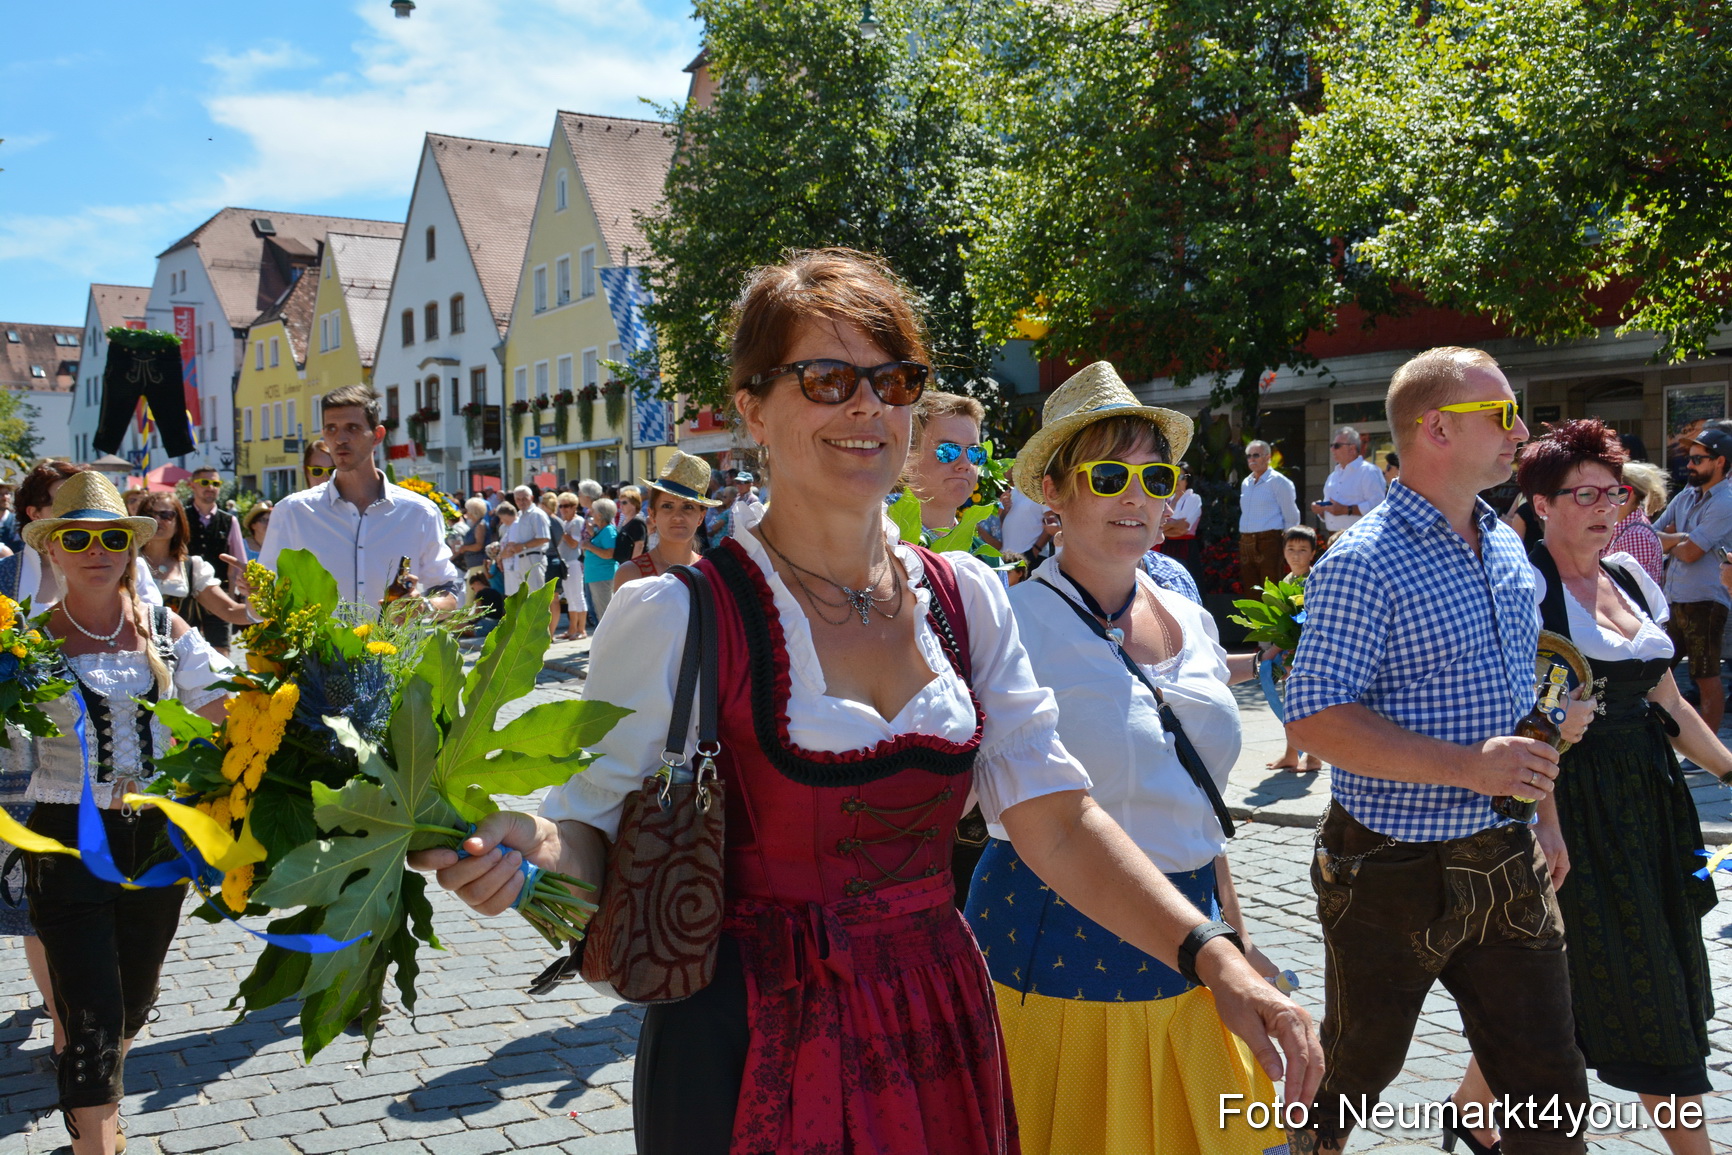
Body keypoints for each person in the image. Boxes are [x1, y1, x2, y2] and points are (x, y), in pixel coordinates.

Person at [412, 248, 1318, 1155]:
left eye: (894, 381)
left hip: (937, 1022)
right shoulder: (680, 614)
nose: (867, 406)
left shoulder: (966, 598)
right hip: (743, 1042)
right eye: (827, 377)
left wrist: (1213, 956)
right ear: (753, 408)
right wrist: (532, 847)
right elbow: (592, 830)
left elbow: (1057, 818)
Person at [968, 362, 1288, 1154]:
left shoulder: (1188, 614)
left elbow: (1201, 813)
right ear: (1054, 489)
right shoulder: (1008, 625)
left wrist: (1237, 943)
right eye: (1108, 475)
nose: (1135, 495)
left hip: (1194, 950)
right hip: (1058, 952)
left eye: (1156, 475)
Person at [1283, 346, 1596, 1155]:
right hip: (1387, 867)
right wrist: (1469, 766)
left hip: (1505, 852)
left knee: (1551, 1080)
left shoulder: (1502, 545)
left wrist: (1546, 811)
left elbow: (1523, 708)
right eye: (1501, 415)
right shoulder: (1363, 560)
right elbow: (1313, 716)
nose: (1522, 431)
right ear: (1435, 429)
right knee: (1359, 1065)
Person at [1446, 420, 1723, 1155]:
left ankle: (1473, 1105)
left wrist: (1730, 769)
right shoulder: (1526, 589)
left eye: (1618, 493)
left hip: (1654, 801)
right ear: (1541, 503)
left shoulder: (1631, 577)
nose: (1609, 507)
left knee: (1572, 976)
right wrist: (1548, 824)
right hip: (1574, 801)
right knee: (1642, 980)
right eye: (1587, 494)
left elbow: (1668, 699)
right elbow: (1526, 722)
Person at [15, 470, 232, 1155]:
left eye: (112, 535)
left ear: (130, 546)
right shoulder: (25, 641)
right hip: (66, 839)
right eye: (77, 537)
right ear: (52, 548)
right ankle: (99, 1136)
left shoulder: (164, 628)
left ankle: (98, 1097)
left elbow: (225, 703)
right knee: (90, 1015)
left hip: (156, 842)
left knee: (134, 998)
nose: (96, 549)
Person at [259, 385, 462, 612]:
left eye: (352, 428)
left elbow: (447, 589)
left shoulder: (419, 513)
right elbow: (266, 599)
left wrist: (424, 605)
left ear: (377, 435)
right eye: (331, 429)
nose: (340, 439)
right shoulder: (293, 512)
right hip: (318, 648)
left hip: (395, 646)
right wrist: (255, 590)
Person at [1652, 427, 1732, 732]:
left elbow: (1689, 554)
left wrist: (1672, 540)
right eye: (1689, 457)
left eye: (1698, 459)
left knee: (1705, 675)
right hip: (1673, 601)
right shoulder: (1686, 494)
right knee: (1659, 673)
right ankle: (1668, 741)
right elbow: (1649, 537)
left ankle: (1710, 753)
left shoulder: (1726, 502)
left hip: (1706, 602)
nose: (1689, 464)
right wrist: (1679, 538)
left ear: (1720, 462)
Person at [137, 493, 253, 645]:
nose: (157, 520)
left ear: (179, 523)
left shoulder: (192, 568)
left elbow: (231, 611)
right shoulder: (124, 563)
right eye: (149, 515)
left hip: (177, 660)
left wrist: (258, 596)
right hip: (131, 655)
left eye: (166, 515)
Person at [613, 451, 718, 591]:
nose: (677, 517)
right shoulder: (631, 574)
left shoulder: (712, 573)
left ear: (701, 517)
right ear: (652, 514)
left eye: (688, 507)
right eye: (667, 506)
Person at [906, 390, 995, 555]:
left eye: (974, 452)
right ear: (908, 455)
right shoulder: (875, 542)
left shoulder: (986, 561)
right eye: (948, 451)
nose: (965, 464)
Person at [1267, 526, 1322, 773]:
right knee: (1290, 702)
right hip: (1290, 653)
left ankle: (1314, 755)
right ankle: (1291, 754)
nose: (1296, 555)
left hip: (1309, 653)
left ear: (1313, 553)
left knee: (1310, 704)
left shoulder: (1316, 579)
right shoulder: (1286, 581)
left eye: (1302, 550)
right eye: (1291, 549)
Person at [181, 466, 246, 651]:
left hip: (219, 592)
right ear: (192, 485)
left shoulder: (229, 520)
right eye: (205, 482)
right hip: (185, 593)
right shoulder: (181, 517)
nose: (211, 487)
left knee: (221, 650)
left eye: (215, 483)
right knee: (184, 650)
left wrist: (233, 597)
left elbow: (237, 563)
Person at [1238, 439, 1299, 594]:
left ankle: (1272, 619)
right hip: (1246, 541)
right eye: (1249, 456)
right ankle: (1254, 620)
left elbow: (1291, 516)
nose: (1252, 459)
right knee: (1250, 588)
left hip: (1270, 540)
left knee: (1270, 588)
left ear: (1267, 457)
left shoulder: (1279, 482)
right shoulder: (1246, 482)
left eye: (1256, 455)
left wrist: (1289, 544)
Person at [1312, 425, 1386, 535]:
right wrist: (1321, 510)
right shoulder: (1333, 476)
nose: (1332, 449)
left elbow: (1378, 506)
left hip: (1359, 536)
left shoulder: (1368, 471)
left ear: (1352, 449)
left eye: (1336, 446)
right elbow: (1331, 509)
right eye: (1331, 445)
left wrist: (1346, 510)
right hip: (1332, 537)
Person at [1604, 459, 1668, 583]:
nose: (1606, 496)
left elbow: (1632, 587)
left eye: (1613, 490)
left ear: (1628, 493)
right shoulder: (1628, 529)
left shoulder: (1635, 535)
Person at [579, 496, 619, 623]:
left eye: (594, 511)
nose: (591, 513)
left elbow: (609, 554)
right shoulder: (602, 530)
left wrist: (589, 546)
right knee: (601, 614)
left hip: (603, 577)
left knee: (606, 616)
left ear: (600, 515)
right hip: (597, 576)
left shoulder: (608, 531)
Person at [1157, 462, 1202, 574]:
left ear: (1188, 480)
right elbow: (1157, 527)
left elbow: (1184, 527)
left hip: (1184, 548)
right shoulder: (1166, 499)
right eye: (1174, 476)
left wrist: (1165, 526)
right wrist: (1174, 525)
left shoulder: (1194, 498)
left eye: (1181, 477)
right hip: (1164, 547)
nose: (1177, 480)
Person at [453, 497, 490, 573]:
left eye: (467, 510)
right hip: (473, 565)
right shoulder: (475, 524)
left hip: (479, 564)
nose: (465, 512)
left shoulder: (480, 525)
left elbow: (479, 546)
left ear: (473, 511)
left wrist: (464, 548)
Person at [466, 568, 505, 638]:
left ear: (476, 583)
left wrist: (465, 620)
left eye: (473, 588)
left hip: (486, 624)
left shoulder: (480, 594)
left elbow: (476, 615)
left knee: (457, 625)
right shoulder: (496, 592)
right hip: (497, 623)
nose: (474, 591)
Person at [611, 490, 648, 563]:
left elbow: (639, 545)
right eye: (620, 502)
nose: (621, 506)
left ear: (634, 504)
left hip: (635, 567)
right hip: (623, 564)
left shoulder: (637, 521)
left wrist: (632, 565)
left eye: (624, 503)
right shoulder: (625, 520)